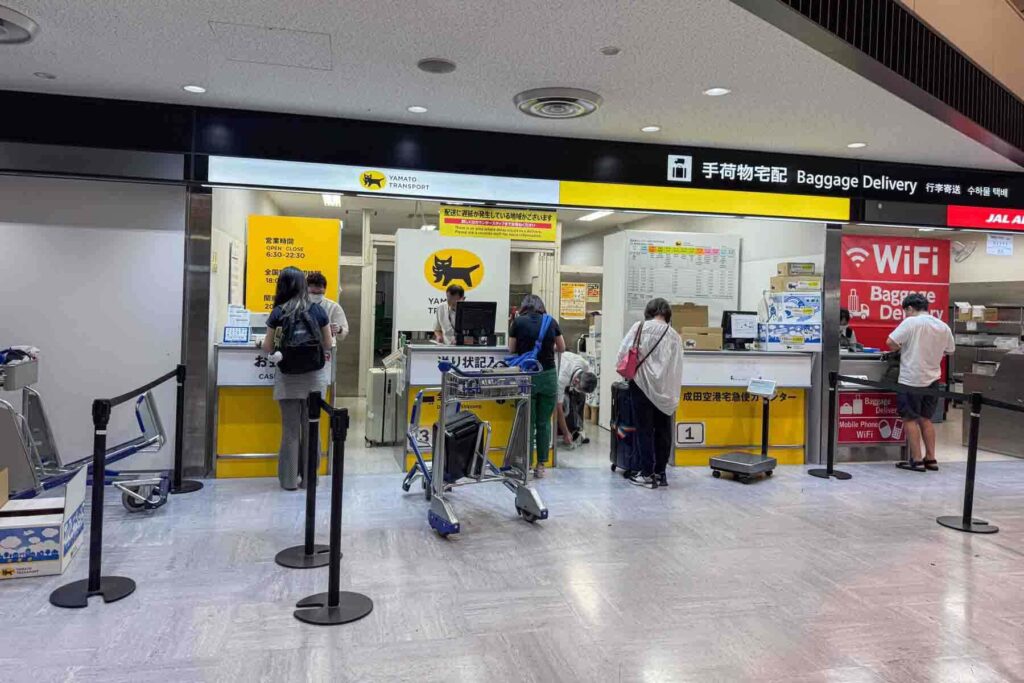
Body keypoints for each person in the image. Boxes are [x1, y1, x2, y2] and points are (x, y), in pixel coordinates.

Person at [262, 267, 334, 490]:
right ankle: (310, 479)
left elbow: (267, 346)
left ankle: (289, 480)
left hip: (288, 378)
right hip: (314, 379)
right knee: (312, 427)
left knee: (291, 430)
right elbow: (328, 344)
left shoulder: (278, 312)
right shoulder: (318, 311)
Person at [616, 297, 684, 489]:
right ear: (668, 315)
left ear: (649, 311)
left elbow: (622, 353)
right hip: (665, 390)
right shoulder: (674, 336)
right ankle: (660, 473)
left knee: (644, 430)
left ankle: (646, 474)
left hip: (641, 386)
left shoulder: (640, 328)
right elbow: (677, 367)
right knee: (663, 431)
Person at [887, 293, 955, 472]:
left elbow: (891, 342)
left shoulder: (912, 322)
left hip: (911, 378)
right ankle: (931, 459)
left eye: (906, 311)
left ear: (910, 308)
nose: (906, 315)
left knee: (909, 418)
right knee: (926, 419)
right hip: (932, 379)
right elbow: (950, 350)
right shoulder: (942, 325)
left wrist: (905, 348)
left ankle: (916, 460)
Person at [508, 294, 565, 478]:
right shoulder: (551, 322)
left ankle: (526, 464)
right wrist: (547, 347)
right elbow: (562, 347)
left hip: (527, 376)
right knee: (543, 423)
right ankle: (541, 466)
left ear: (524, 306)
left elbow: (511, 349)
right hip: (548, 375)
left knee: (528, 422)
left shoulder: (518, 323)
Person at [555, 350, 598, 446]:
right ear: (576, 380)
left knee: (580, 397)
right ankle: (565, 432)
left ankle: (577, 430)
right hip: (554, 375)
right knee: (565, 406)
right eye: (580, 388)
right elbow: (558, 407)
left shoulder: (584, 365)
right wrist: (566, 433)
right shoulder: (562, 378)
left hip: (569, 374)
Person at [306, 272, 349, 342]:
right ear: (306, 289)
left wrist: (339, 329)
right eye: (313, 292)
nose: (316, 293)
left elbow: (344, 331)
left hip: (328, 346)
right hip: (304, 345)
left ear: (325, 289)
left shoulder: (333, 306)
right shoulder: (300, 306)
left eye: (319, 292)